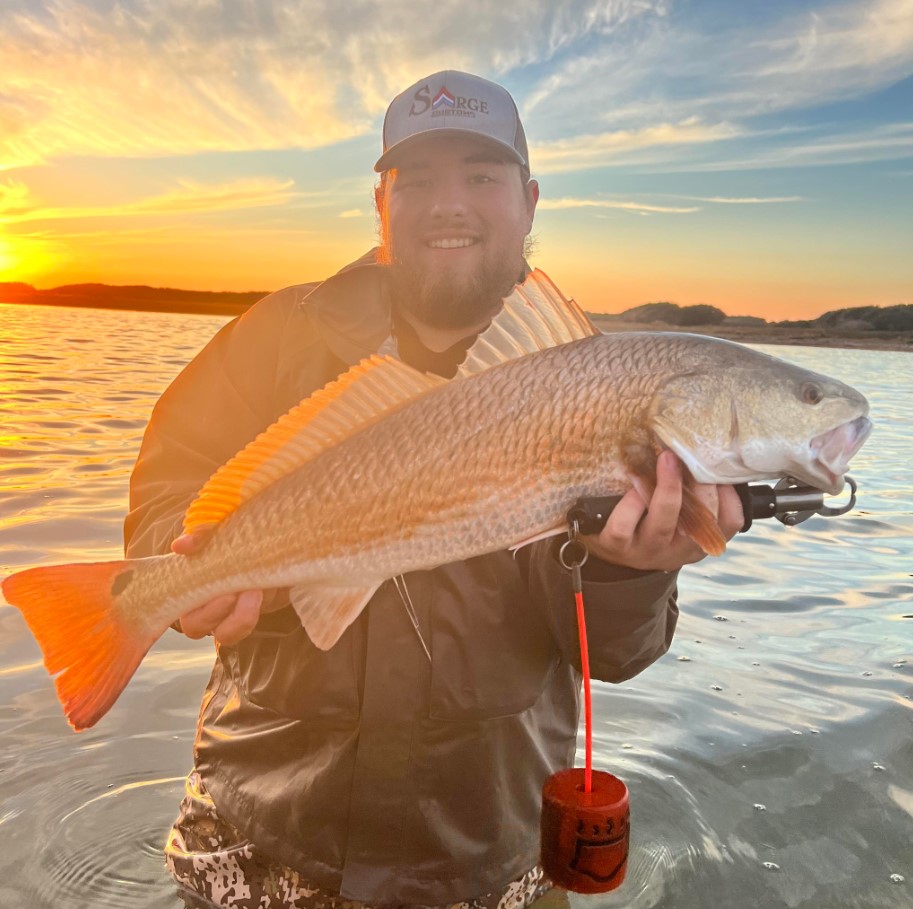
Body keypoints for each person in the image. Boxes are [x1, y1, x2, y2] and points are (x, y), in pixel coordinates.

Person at [124, 70, 743, 909]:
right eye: (416, 182)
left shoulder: (595, 383)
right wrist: (188, 569)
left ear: (528, 201)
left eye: (480, 178)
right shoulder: (274, 335)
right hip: (260, 823)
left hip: (486, 849)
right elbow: (170, 484)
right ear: (380, 203)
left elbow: (616, 653)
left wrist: (629, 569)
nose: (447, 204)